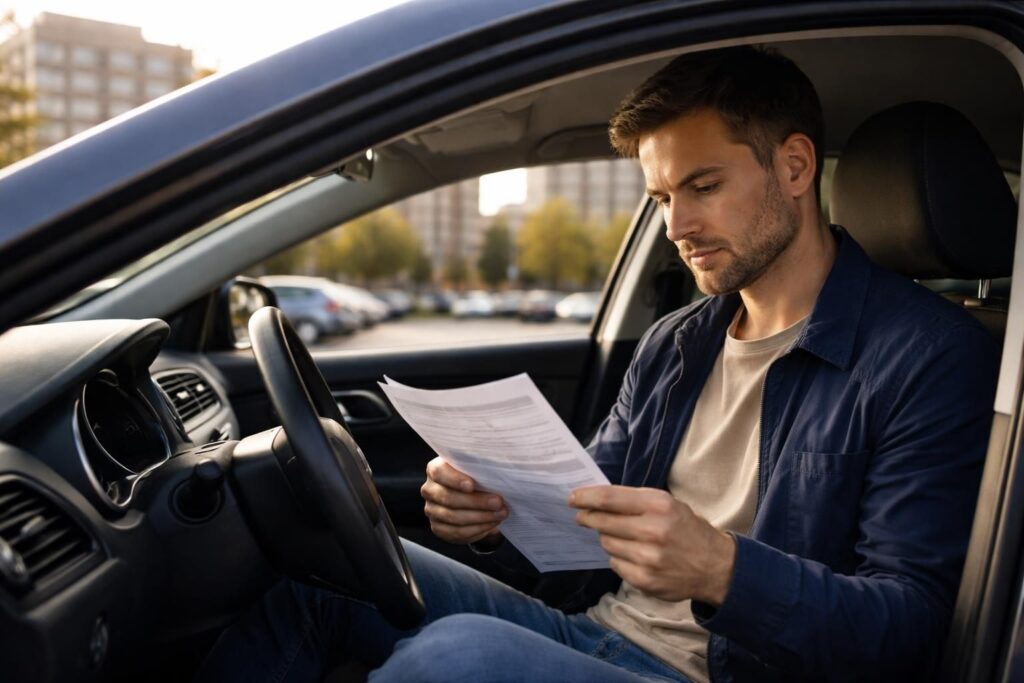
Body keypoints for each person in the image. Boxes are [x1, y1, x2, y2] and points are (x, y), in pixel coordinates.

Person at [197, 46, 997, 682]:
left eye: (703, 185)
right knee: (321, 572)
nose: (678, 223)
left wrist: (723, 568)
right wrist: (492, 515)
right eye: (659, 198)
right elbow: (580, 509)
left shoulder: (928, 356)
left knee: (453, 659)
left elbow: (907, 628)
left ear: (794, 168)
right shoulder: (679, 342)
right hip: (595, 631)